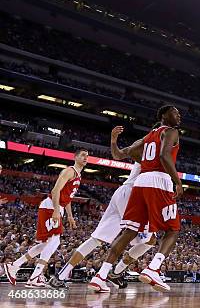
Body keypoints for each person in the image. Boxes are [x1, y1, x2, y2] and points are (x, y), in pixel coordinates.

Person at [88, 106, 182, 293]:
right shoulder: (171, 131)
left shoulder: (147, 138)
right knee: (173, 229)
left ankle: (101, 276)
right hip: (159, 181)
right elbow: (164, 155)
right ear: (163, 115)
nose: (179, 116)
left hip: (140, 183)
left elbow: (119, 155)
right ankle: (154, 268)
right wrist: (177, 181)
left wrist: (114, 141)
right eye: (175, 112)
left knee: (129, 232)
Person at [49, 126, 156, 289]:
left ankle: (60, 276)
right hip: (133, 195)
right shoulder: (152, 148)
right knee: (150, 238)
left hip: (121, 193)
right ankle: (113, 273)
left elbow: (118, 154)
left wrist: (113, 141)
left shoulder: (143, 145)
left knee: (96, 240)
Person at [4, 149, 88, 288]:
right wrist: (56, 210)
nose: (86, 157)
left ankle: (15, 265)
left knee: (46, 244)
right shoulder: (69, 171)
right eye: (83, 155)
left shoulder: (78, 175)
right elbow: (55, 191)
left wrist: (70, 217)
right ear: (75, 157)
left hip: (56, 207)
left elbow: (67, 198)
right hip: (51, 206)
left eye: (87, 156)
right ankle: (35, 276)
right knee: (54, 242)